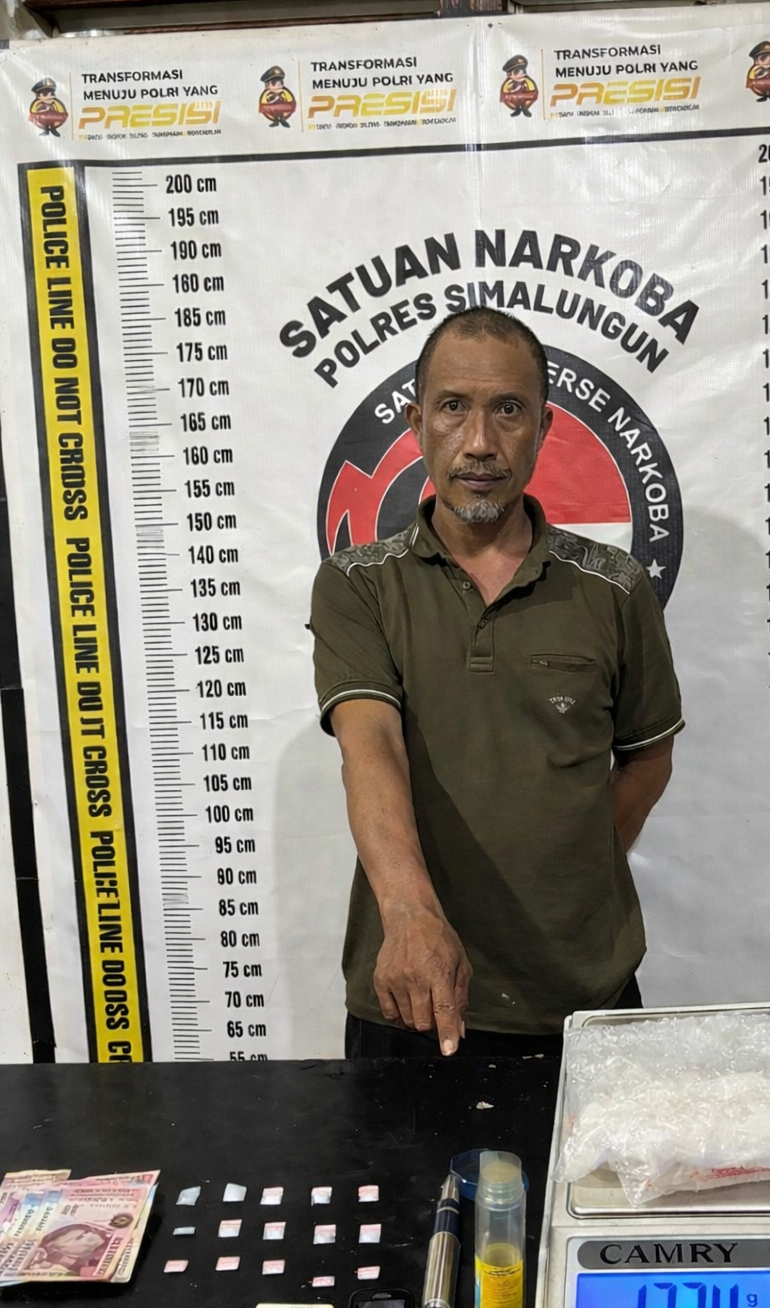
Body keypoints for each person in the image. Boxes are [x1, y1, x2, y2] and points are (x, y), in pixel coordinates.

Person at [311, 308, 683, 1059]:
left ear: (544, 428)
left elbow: (647, 758)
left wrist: (569, 874)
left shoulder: (614, 587)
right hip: (410, 996)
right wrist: (410, 915)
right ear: (417, 422)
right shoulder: (359, 583)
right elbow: (370, 743)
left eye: (508, 410)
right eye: (453, 407)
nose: (480, 441)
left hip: (583, 996)